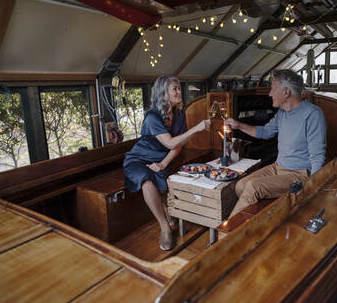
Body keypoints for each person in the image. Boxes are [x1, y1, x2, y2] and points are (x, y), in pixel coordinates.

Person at [123, 76, 210, 250]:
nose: (179, 92)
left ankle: (170, 214)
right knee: (147, 180)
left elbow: (177, 146)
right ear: (164, 93)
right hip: (139, 159)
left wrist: (163, 164)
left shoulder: (178, 114)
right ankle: (165, 228)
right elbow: (170, 142)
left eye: (179, 88)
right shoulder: (152, 117)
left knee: (163, 175)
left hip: (162, 158)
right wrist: (197, 128)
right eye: (175, 89)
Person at [225, 69, 326, 217]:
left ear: (286, 92)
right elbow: (265, 132)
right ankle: (260, 220)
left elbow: (317, 157)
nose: (270, 94)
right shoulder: (282, 113)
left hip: (299, 174)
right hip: (278, 167)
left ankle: (227, 235)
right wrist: (238, 125)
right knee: (240, 186)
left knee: (253, 187)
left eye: (273, 89)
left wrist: (312, 191)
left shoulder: (313, 115)